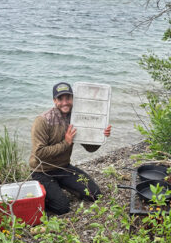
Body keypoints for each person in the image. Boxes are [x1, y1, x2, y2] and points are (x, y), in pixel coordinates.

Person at [29, 82, 112, 215]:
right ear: (54, 101)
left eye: (68, 98)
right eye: (60, 99)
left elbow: (90, 149)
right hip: (41, 171)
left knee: (95, 194)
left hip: (63, 167)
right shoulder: (42, 120)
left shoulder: (76, 118)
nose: (65, 102)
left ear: (73, 99)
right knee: (62, 208)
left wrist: (99, 135)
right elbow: (39, 153)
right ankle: (45, 190)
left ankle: (60, 185)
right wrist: (66, 143)